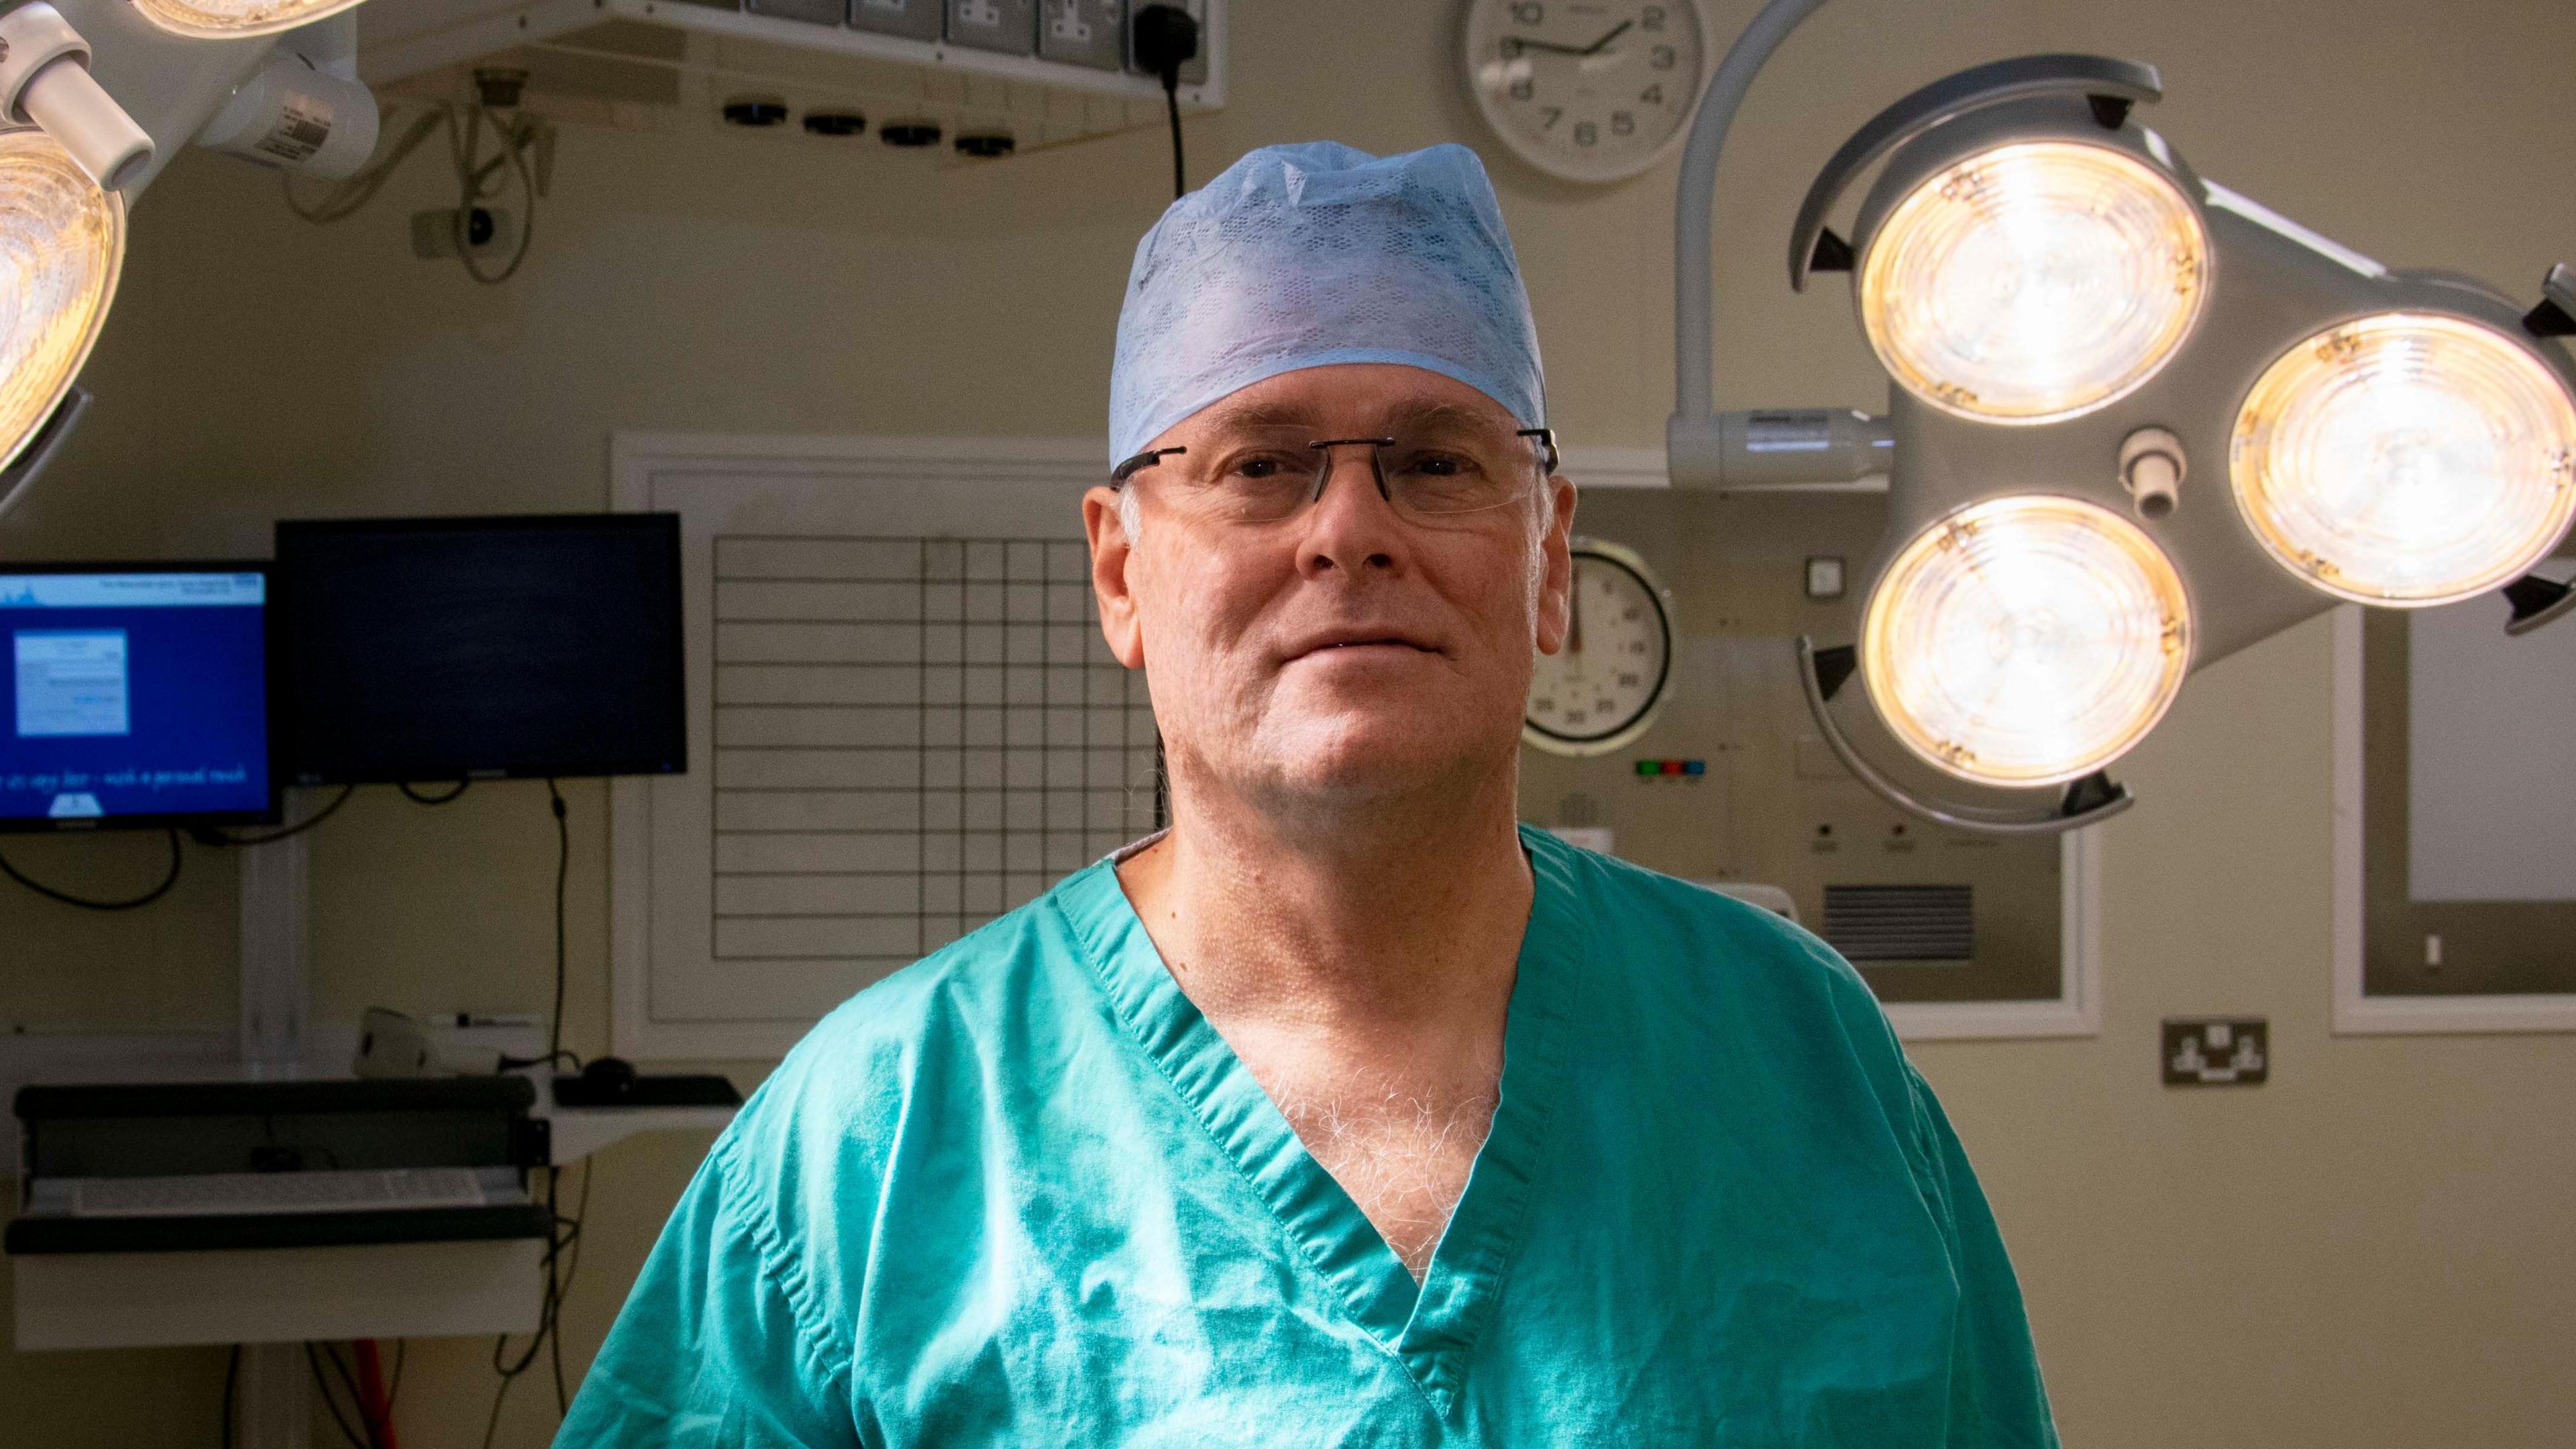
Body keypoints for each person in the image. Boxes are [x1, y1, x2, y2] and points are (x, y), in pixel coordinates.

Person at [557, 141, 2058, 1446]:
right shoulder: (879, 1147)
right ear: (1120, 567)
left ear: (1547, 560)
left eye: (1434, 460)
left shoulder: (1800, 1058)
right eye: (1261, 465)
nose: (1348, 529)